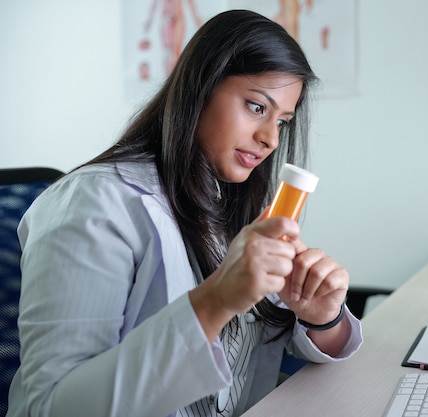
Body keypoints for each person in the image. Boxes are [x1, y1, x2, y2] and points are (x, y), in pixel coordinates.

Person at [7, 9, 362, 417]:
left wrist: (321, 318)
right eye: (256, 107)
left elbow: (270, 336)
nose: (269, 139)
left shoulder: (230, 199)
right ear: (201, 87)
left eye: (282, 121)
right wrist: (215, 300)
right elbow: (51, 409)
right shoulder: (94, 206)